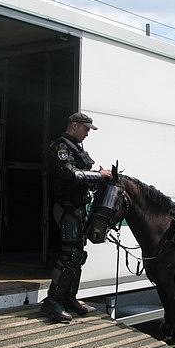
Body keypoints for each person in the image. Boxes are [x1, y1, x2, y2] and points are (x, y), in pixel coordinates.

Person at [41, 112, 112, 323]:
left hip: (79, 208)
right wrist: (100, 176)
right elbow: (72, 174)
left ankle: (69, 298)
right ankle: (52, 301)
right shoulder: (60, 147)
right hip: (66, 208)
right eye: (86, 129)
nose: (88, 133)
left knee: (78, 254)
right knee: (68, 254)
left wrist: (99, 177)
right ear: (74, 125)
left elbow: (82, 177)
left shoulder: (77, 148)